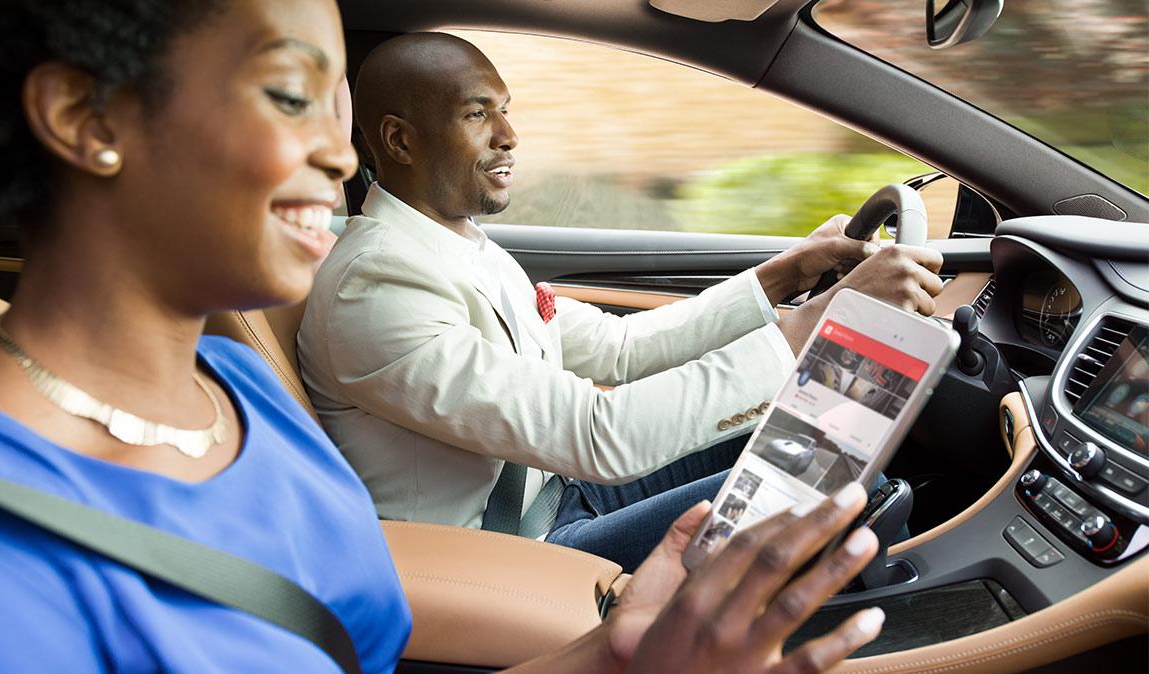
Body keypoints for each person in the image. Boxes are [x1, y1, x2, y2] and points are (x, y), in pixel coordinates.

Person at [0, 0, 889, 671]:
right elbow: (602, 434)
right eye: (288, 95)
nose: (338, 152)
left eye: (339, 112)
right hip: (511, 531)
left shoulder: (239, 409)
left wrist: (620, 659)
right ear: (86, 117)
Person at [298, 32, 944, 568]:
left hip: (561, 496)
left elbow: (620, 347)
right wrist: (813, 326)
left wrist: (782, 275)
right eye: (477, 114)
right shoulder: (375, 287)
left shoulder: (459, 244)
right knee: (837, 491)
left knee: (832, 440)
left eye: (505, 108)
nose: (509, 134)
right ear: (400, 141)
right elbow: (599, 436)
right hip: (510, 555)